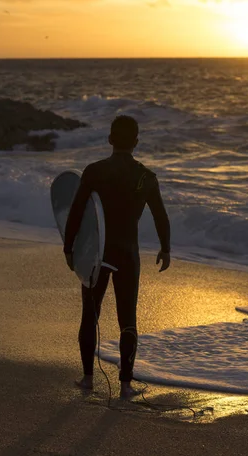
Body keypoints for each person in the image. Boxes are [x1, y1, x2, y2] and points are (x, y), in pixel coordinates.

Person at [64, 115, 171, 399]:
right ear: (136, 142)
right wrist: (166, 248)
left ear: (110, 140)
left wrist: (69, 247)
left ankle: (88, 380)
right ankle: (126, 385)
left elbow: (76, 212)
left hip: (97, 253)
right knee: (128, 319)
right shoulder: (146, 177)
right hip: (127, 254)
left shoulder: (94, 171)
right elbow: (160, 215)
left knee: (90, 315)